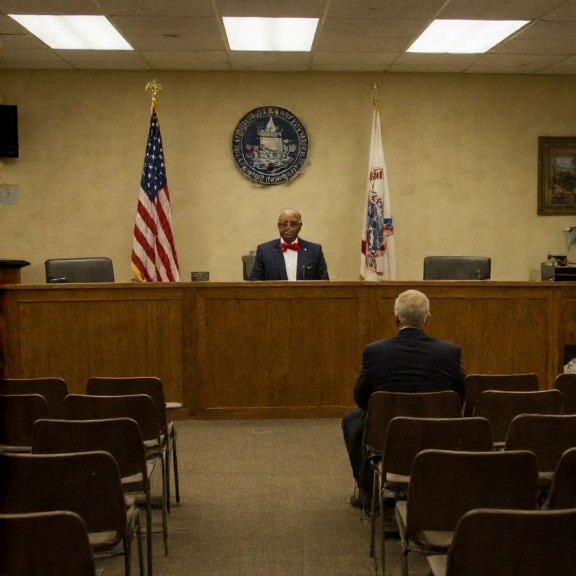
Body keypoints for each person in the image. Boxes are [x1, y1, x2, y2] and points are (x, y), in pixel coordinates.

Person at [341, 289, 466, 509]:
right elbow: (462, 397)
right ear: (427, 319)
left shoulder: (375, 352)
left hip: (387, 435)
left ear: (396, 318)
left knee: (352, 420)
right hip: (438, 433)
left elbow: (361, 399)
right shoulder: (450, 352)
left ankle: (367, 491)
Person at [249, 208, 329, 281]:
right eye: (283, 224)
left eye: (293, 224)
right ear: (278, 226)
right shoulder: (264, 250)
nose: (288, 228)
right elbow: (255, 281)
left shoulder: (315, 250)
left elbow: (324, 282)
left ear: (300, 226)